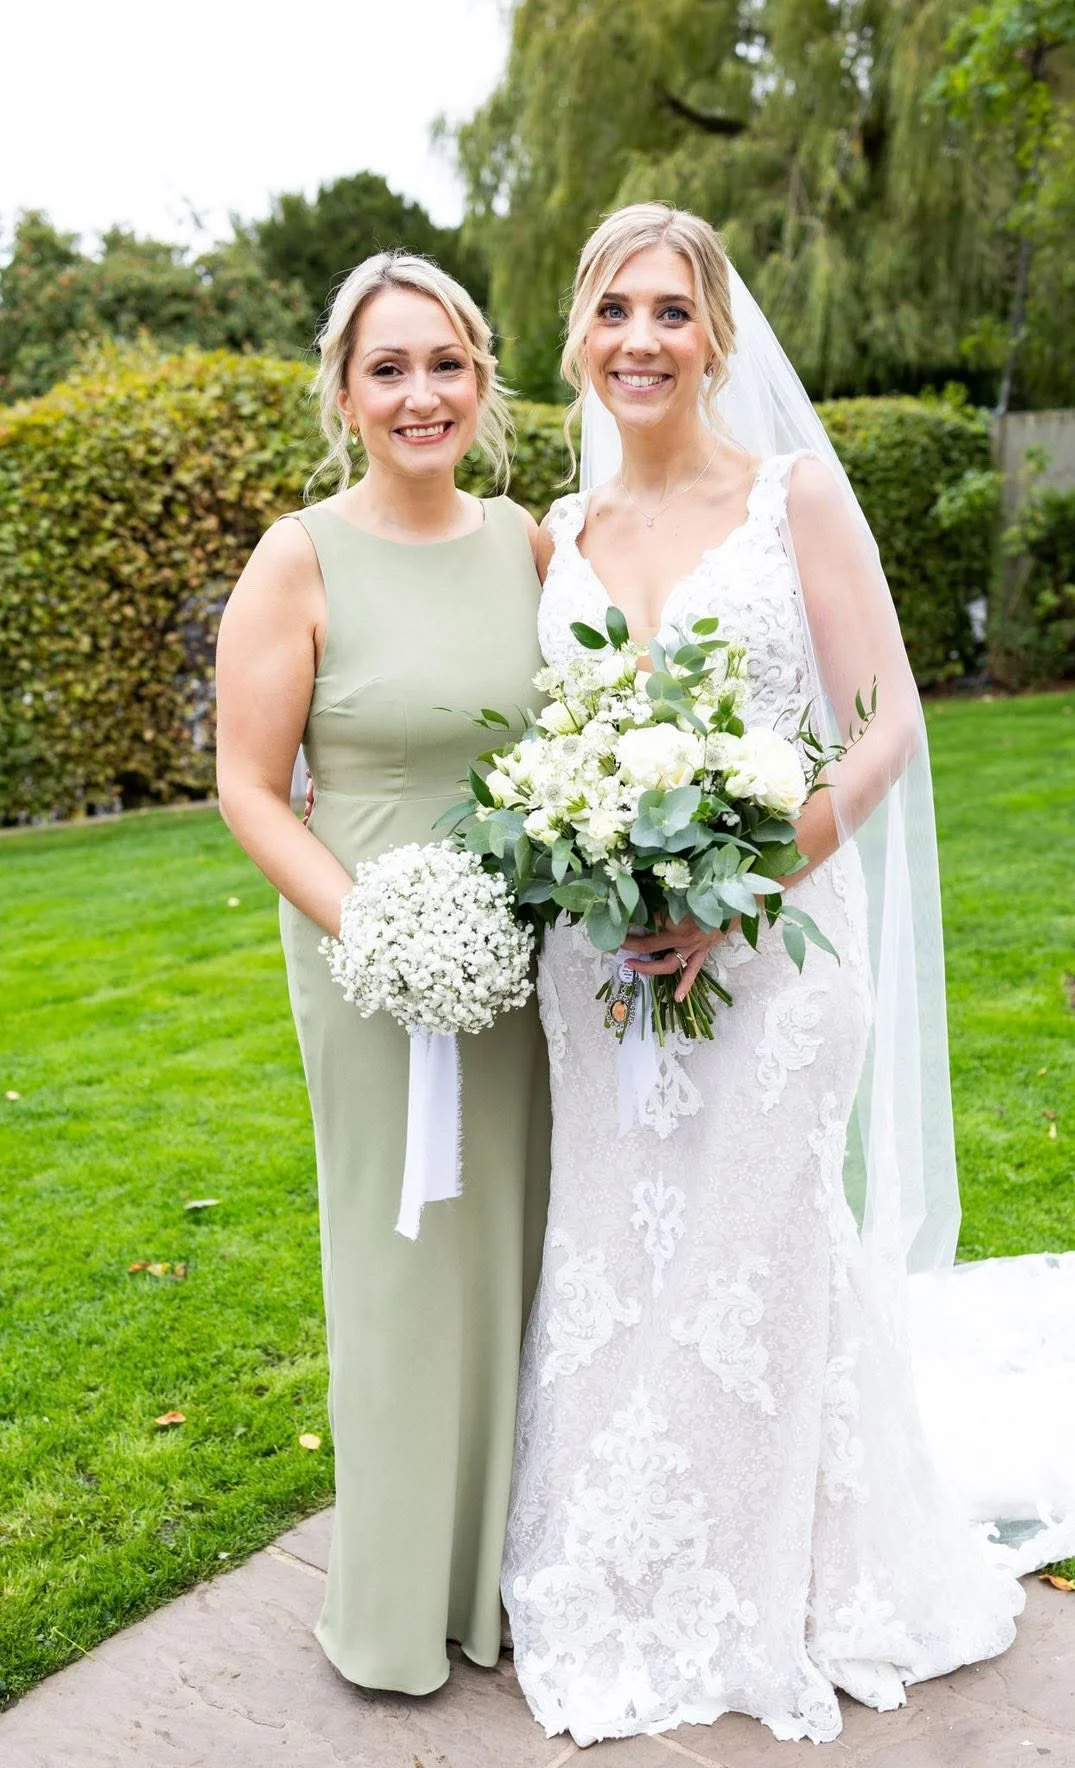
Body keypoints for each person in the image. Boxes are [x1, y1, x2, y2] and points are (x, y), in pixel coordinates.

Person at [501, 203, 1025, 1747]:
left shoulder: (790, 498)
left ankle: (780, 1576)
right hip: (605, 970)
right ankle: (615, 1551)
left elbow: (886, 719)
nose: (642, 342)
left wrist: (746, 883)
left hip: (781, 952)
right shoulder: (554, 534)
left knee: (755, 1251)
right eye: (615, 313)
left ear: (717, 335)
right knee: (618, 1249)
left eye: (671, 312)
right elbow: (528, 743)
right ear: (579, 339)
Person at [215, 253, 550, 1693]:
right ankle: (401, 1605)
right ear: (344, 394)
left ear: (483, 380)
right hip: (369, 963)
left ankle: (511, 1582)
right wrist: (374, 927)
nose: (421, 394)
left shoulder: (531, 542)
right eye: (389, 369)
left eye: (446, 365)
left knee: (525, 1258)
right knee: (405, 1264)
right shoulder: (298, 555)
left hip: (530, 961)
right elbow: (247, 785)